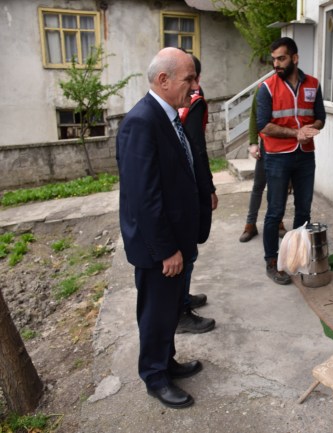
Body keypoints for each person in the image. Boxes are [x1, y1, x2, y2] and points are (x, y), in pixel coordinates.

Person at [116, 47, 205, 409]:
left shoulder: (166, 115)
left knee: (168, 309)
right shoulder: (142, 121)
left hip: (173, 240)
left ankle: (166, 362)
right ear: (163, 80)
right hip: (158, 247)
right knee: (155, 313)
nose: (196, 87)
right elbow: (144, 196)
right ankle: (154, 376)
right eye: (189, 79)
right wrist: (166, 249)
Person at [257, 37, 326, 284]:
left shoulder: (314, 85)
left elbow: (320, 117)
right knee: (275, 211)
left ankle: (297, 257)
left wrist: (312, 128)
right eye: (274, 59)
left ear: (295, 58)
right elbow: (263, 125)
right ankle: (272, 261)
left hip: (305, 155)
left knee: (304, 210)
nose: (276, 63)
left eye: (281, 58)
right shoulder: (267, 87)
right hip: (277, 157)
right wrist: (294, 133)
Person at [176, 54, 217, 334]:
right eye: (188, 78)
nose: (191, 83)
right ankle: (181, 311)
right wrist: (210, 188)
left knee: (188, 248)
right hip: (189, 185)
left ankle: (183, 298)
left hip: (183, 181)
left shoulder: (177, 102)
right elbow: (197, 150)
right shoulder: (195, 101)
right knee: (188, 249)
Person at [239, 86, 287, 243]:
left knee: (279, 187)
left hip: (283, 147)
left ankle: (277, 223)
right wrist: (253, 143)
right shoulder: (262, 90)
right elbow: (254, 116)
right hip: (266, 146)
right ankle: (250, 225)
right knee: (258, 186)